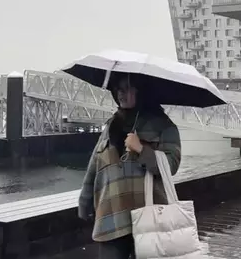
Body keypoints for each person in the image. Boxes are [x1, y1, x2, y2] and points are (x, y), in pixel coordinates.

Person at [78, 74, 182, 259]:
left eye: (127, 89)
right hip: (111, 216)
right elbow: (95, 164)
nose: (121, 94)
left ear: (141, 92)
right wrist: (84, 202)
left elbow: (171, 165)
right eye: (118, 89)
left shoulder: (163, 126)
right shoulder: (111, 125)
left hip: (148, 218)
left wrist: (142, 149)